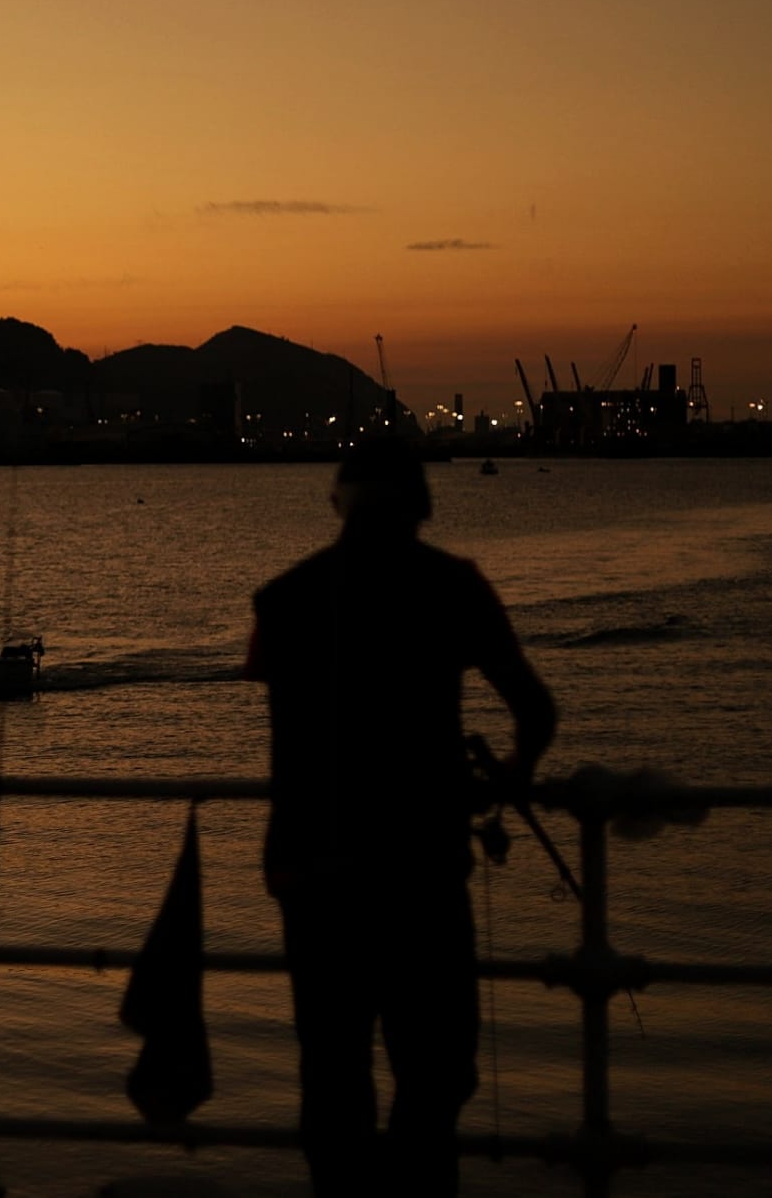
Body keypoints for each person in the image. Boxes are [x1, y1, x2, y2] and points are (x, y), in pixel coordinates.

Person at [243, 441, 555, 1197]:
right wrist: (509, 776)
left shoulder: (282, 599)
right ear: (421, 508)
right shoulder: (454, 587)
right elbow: (535, 710)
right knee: (435, 1073)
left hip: (312, 874)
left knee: (333, 1077)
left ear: (337, 506)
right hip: (421, 873)